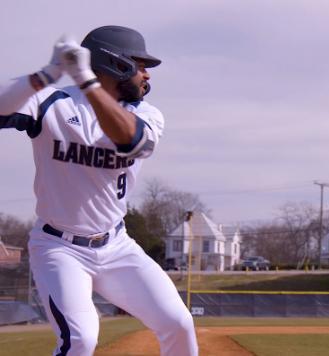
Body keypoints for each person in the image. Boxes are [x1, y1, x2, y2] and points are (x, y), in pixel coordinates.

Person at [0, 26, 198, 355]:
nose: (146, 74)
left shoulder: (145, 113)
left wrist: (88, 84)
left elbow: (132, 142)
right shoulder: (55, 103)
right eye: (140, 64)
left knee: (179, 323)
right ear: (115, 64)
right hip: (59, 249)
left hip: (118, 246)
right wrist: (47, 74)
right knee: (80, 339)